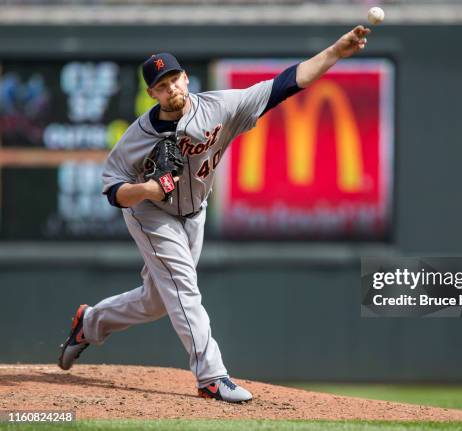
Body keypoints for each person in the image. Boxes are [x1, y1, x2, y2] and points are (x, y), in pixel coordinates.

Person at [58, 25, 371, 403]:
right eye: (161, 84)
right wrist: (146, 189)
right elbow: (112, 190)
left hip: (195, 211)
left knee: (157, 301)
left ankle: (89, 323)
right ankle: (211, 376)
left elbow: (287, 84)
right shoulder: (136, 138)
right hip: (151, 213)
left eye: (174, 78)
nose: (171, 87)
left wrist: (336, 51)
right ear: (151, 93)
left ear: (186, 78)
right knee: (184, 288)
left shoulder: (221, 107)